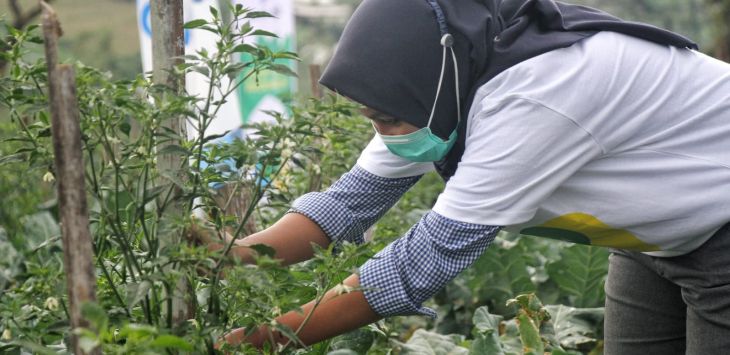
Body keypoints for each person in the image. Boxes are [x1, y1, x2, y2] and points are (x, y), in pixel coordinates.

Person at [194, 0, 730, 353]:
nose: (385, 133)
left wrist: (261, 341)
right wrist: (231, 255)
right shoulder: (443, 86)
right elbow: (348, 204)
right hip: (654, 241)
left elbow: (419, 265)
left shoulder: (533, 97)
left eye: (387, 119)